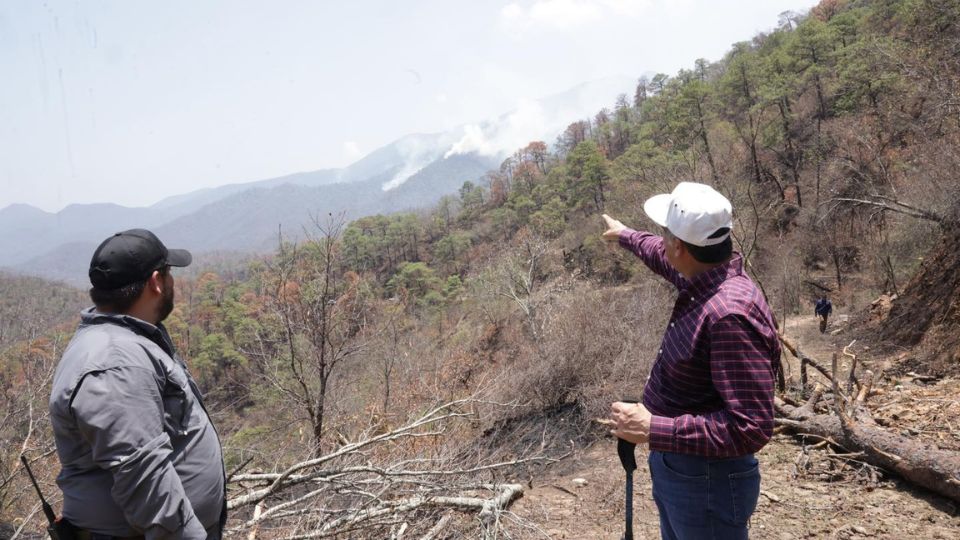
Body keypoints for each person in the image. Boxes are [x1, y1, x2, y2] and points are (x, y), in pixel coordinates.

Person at [601, 182, 780, 540]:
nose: (661, 240)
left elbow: (752, 427)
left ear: (680, 247)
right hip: (687, 471)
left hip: (707, 481)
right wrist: (625, 235)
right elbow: (659, 253)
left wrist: (653, 428)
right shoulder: (705, 275)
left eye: (666, 235)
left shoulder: (728, 315)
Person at [49, 229, 226, 540]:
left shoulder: (128, 338)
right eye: (170, 274)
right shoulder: (114, 363)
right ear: (156, 282)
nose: (173, 283)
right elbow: (145, 479)